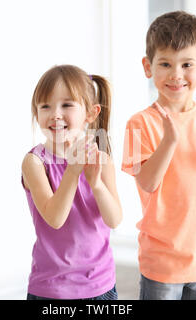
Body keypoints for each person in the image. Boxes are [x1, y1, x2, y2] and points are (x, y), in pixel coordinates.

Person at [122, 11, 196, 300]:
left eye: (187, 64)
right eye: (165, 64)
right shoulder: (138, 123)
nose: (176, 74)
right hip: (163, 261)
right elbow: (147, 183)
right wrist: (169, 141)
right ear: (148, 67)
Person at [21, 65, 122, 299]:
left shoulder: (102, 160)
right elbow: (55, 218)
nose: (55, 114)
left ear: (91, 113)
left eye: (67, 105)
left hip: (100, 285)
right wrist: (73, 171)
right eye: (45, 106)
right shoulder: (34, 162)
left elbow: (114, 219)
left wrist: (96, 185)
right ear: (37, 114)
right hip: (51, 288)